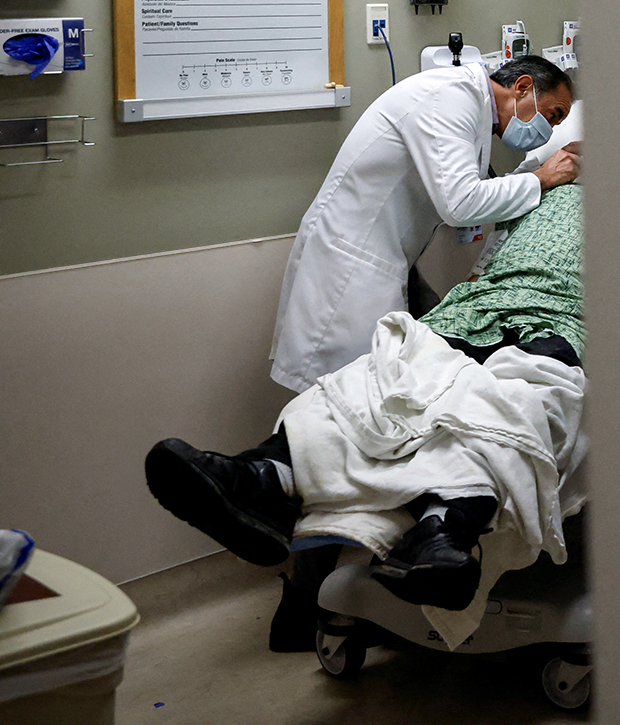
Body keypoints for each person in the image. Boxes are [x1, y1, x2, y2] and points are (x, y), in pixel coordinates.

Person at [147, 185, 586, 615]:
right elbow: (484, 260)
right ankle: (263, 477)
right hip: (471, 308)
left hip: (561, 325)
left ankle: (443, 528)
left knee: (511, 403)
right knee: (372, 381)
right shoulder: (542, 188)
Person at [268, 53, 578, 393]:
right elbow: (460, 203)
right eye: (552, 115)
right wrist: (541, 179)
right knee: (339, 405)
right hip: (349, 267)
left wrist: (531, 176)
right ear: (522, 87)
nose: (548, 130)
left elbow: (468, 194)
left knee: (359, 402)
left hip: (380, 261)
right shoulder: (450, 98)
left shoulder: (470, 109)